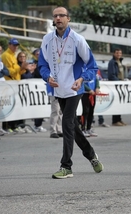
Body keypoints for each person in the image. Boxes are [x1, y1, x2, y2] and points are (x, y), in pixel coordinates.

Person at [38, 6, 103, 179]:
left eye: (62, 15)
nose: (58, 18)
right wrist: (47, 77)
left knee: (66, 123)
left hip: (75, 89)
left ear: (68, 18)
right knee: (73, 127)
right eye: (56, 16)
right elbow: (42, 65)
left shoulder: (77, 39)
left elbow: (92, 66)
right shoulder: (47, 39)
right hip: (58, 89)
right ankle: (91, 155)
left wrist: (82, 79)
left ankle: (66, 166)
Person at [1, 38, 29, 133]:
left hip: (15, 83)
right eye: (14, 45)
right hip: (9, 83)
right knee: (7, 105)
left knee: (14, 106)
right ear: (9, 45)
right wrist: (20, 68)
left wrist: (23, 69)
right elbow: (8, 72)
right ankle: (6, 126)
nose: (15, 47)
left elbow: (17, 72)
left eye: (16, 45)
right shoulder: (6, 55)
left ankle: (13, 125)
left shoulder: (13, 55)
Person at [107, 48, 127, 126]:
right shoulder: (112, 62)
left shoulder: (120, 62)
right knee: (116, 102)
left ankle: (119, 119)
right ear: (114, 54)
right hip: (116, 84)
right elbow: (111, 75)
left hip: (121, 84)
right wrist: (118, 81)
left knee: (120, 102)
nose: (118, 55)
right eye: (117, 53)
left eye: (120, 53)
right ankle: (115, 120)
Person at [0, 42, 9, 136]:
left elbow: (6, 72)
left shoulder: (0, 60)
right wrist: (0, 71)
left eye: (0, 50)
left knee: (0, 106)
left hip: (1, 86)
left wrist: (0, 71)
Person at [31, 48, 47, 133]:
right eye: (37, 54)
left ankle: (39, 124)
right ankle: (37, 124)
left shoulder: (44, 62)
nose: (39, 56)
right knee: (38, 106)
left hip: (43, 86)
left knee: (43, 106)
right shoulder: (34, 63)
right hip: (36, 87)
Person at [80, 70, 100, 137]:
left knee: (91, 111)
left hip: (93, 93)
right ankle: (83, 129)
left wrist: (97, 87)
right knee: (86, 111)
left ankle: (89, 128)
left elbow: (96, 79)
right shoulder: (82, 68)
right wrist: (88, 89)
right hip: (85, 93)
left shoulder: (93, 68)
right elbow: (81, 81)